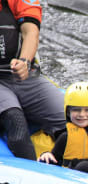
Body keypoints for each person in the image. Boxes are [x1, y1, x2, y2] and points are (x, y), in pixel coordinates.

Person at [0, 0, 65, 160]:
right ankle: (32, 177)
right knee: (16, 124)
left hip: (23, 75)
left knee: (72, 120)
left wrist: (24, 62)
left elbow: (30, 31)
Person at [38, 82, 88, 174]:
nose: (82, 114)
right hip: (74, 178)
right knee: (84, 166)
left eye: (87, 110)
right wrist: (46, 154)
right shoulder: (65, 136)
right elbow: (54, 159)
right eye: (76, 109)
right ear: (68, 112)